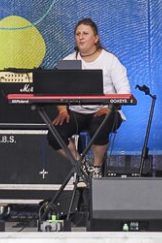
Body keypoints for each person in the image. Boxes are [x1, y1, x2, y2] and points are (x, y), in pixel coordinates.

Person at [48, 18, 130, 179]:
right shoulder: (68, 61)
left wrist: (110, 107)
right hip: (77, 113)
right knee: (54, 134)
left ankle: (97, 167)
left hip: (105, 111)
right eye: (78, 34)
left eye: (85, 33)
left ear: (96, 38)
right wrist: (63, 110)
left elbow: (124, 91)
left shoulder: (110, 61)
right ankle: (81, 164)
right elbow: (59, 91)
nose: (81, 37)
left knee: (98, 127)